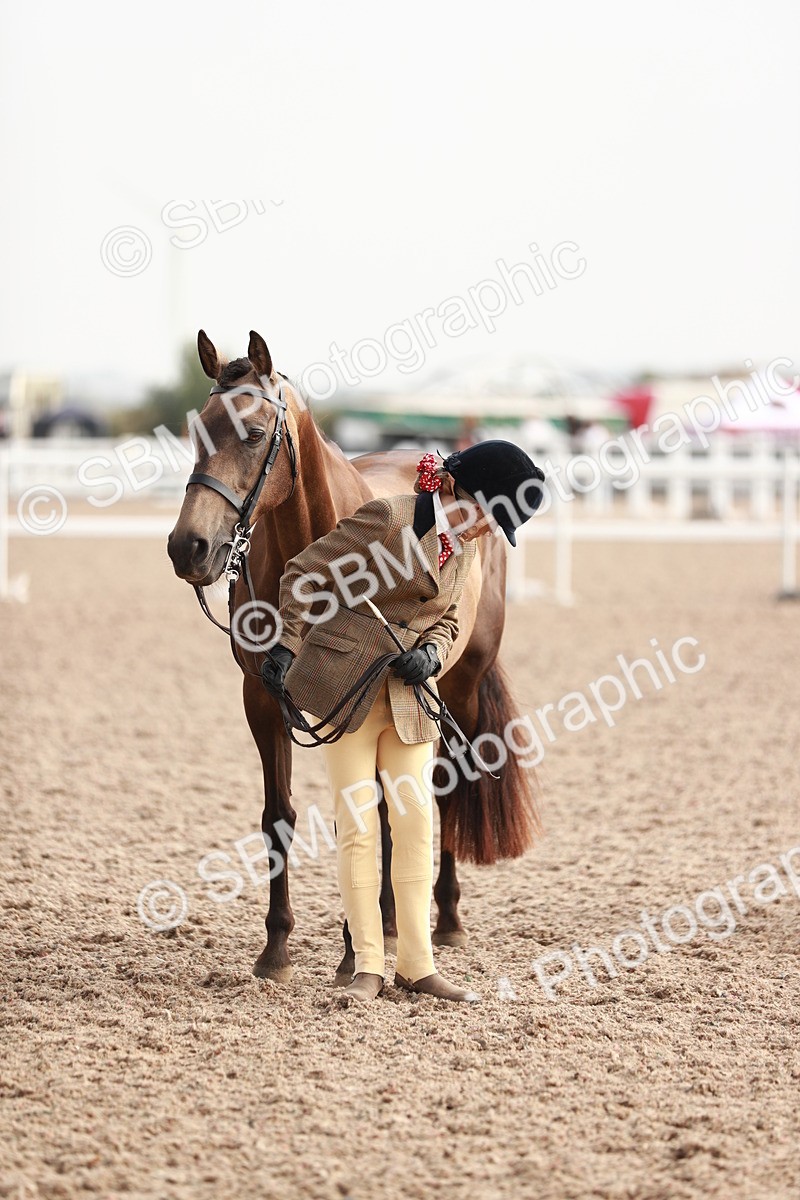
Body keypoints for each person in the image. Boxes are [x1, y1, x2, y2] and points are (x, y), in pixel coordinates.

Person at [261, 441, 546, 1003]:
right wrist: (289, 645)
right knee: (359, 827)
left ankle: (417, 964)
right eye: (487, 514)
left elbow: (445, 620)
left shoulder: (463, 549)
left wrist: (434, 656)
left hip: (411, 699)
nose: (488, 530)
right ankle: (367, 963)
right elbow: (302, 572)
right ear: (452, 490)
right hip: (347, 692)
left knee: (415, 824)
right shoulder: (387, 520)